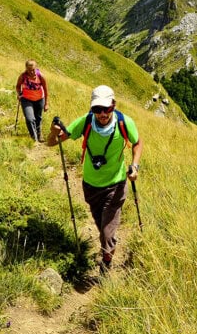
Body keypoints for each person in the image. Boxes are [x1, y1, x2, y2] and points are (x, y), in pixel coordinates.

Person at [48, 85, 142, 272]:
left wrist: (135, 165)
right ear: (92, 109)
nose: (102, 114)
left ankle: (105, 264)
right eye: (97, 109)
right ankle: (109, 246)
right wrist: (53, 131)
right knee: (101, 226)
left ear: (113, 105)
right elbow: (52, 143)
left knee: (106, 233)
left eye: (106, 108)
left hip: (116, 185)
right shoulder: (85, 122)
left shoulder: (124, 123)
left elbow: (137, 142)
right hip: (90, 186)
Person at [15, 60, 49, 142]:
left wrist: (46, 103)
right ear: (26, 69)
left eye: (33, 69)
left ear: (36, 68)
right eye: (29, 70)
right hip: (26, 99)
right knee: (30, 119)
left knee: (38, 118)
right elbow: (18, 86)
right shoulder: (22, 76)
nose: (32, 72)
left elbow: (46, 89)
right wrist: (19, 94)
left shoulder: (40, 76)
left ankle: (39, 134)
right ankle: (34, 138)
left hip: (40, 99)